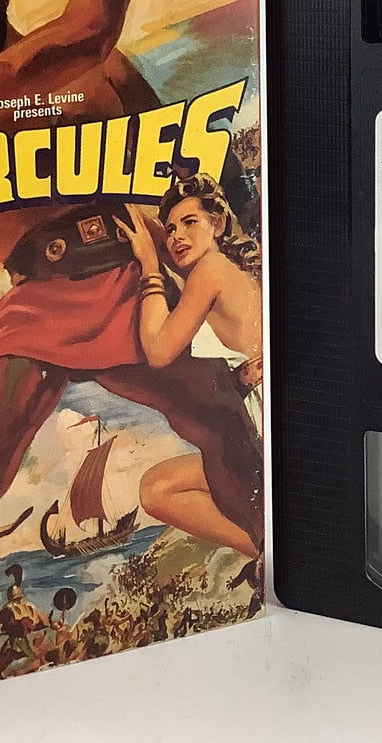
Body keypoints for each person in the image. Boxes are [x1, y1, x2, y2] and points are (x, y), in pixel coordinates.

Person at [0, 0, 262, 553]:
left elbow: (178, 157)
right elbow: (62, 49)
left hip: (131, 280)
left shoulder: (104, 71)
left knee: (223, 422)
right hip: (39, 296)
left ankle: (273, 547)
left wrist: (229, 238)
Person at [113, 174, 262, 558]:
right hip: (252, 421)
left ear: (218, 224)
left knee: (160, 491)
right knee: (155, 489)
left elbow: (159, 352)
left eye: (189, 223)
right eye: (170, 229)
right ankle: (259, 548)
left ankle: (263, 548)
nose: (177, 236)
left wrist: (149, 266)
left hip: (258, 436)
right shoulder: (226, 267)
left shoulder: (211, 269)